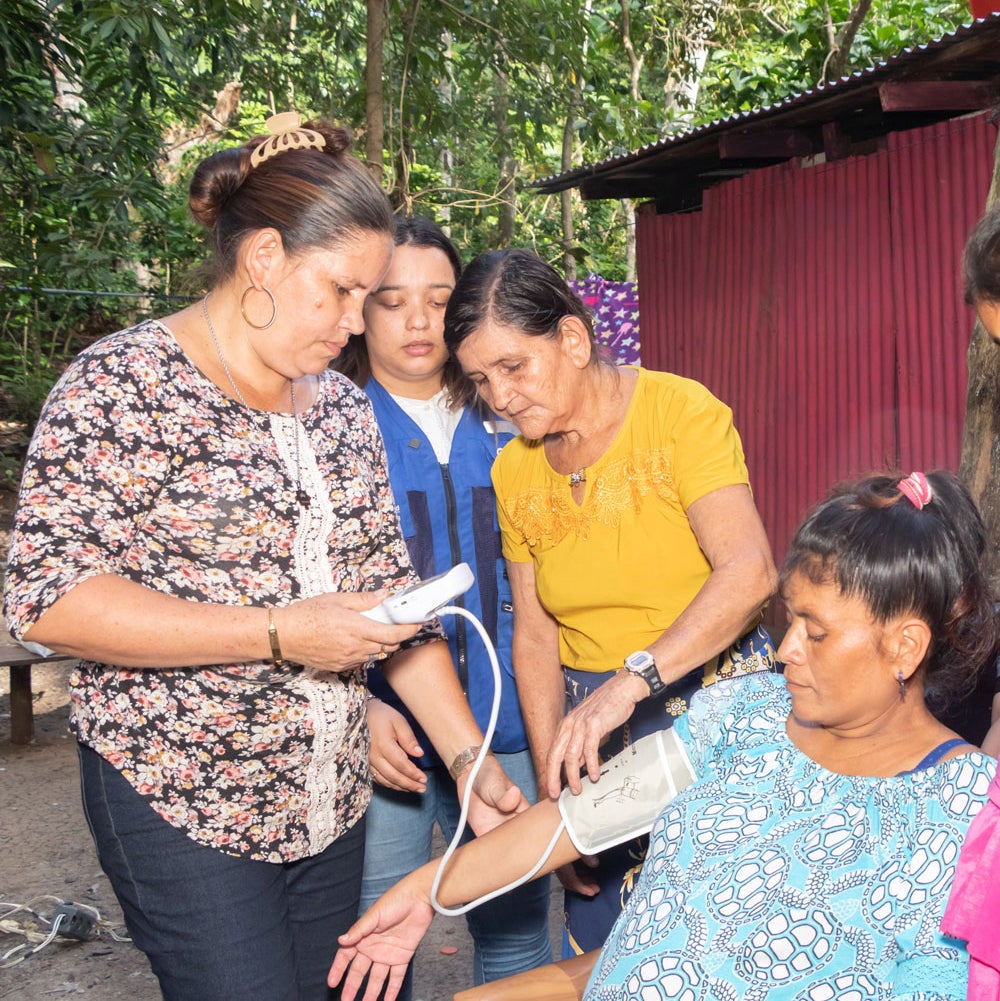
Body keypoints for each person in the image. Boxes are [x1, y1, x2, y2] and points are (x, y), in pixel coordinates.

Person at [1, 113, 524, 1001]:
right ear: (265, 260)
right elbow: (45, 599)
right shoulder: (124, 385)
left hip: (328, 800)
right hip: (183, 797)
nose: (356, 322)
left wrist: (469, 761)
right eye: (344, 292)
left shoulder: (341, 411)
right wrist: (278, 632)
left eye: (369, 298)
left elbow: (390, 604)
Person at [330, 469, 999, 1001]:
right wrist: (424, 891)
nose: (787, 647)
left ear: (905, 645)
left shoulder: (969, 814)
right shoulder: (742, 715)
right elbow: (572, 823)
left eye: (817, 632)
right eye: (788, 618)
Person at [440, 247, 777, 954]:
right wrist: (553, 790)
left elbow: (748, 573)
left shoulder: (679, 413)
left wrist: (632, 683)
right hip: (593, 735)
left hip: (712, 710)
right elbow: (533, 636)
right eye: (480, 380)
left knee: (732, 940)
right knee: (613, 949)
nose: (499, 398)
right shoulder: (515, 469)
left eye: (513, 367)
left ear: (572, 338)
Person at [334, 215, 551, 995]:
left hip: (511, 723)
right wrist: (355, 703)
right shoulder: (330, 420)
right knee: (370, 939)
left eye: (439, 298)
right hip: (388, 735)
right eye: (393, 300)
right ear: (357, 306)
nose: (419, 320)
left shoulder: (512, 416)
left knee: (519, 934)